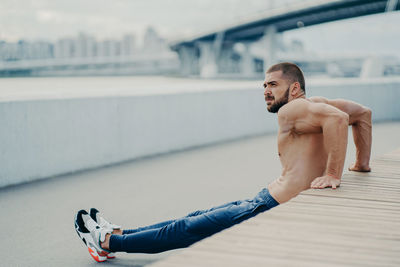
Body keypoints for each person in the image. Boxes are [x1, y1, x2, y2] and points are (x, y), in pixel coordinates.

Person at [74, 62, 372, 262]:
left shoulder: (292, 110)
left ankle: (105, 243)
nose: (266, 91)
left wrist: (334, 173)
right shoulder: (316, 104)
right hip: (264, 198)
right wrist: (361, 164)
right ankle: (118, 232)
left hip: (268, 207)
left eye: (273, 85)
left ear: (294, 89)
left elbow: (341, 119)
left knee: (186, 230)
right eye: (264, 85)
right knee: (191, 219)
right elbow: (363, 115)